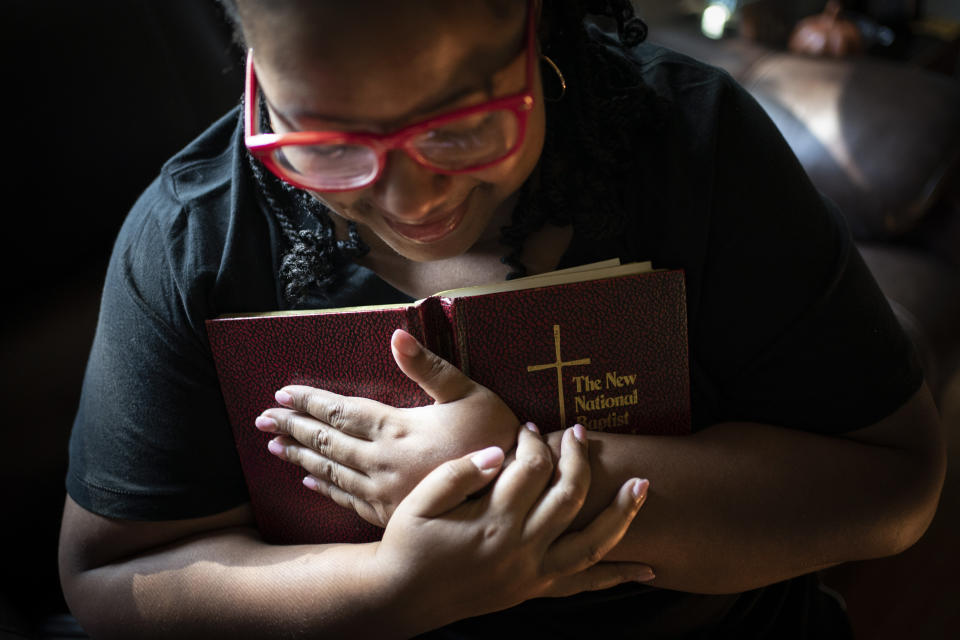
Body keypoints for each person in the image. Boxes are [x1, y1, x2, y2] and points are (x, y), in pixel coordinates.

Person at [58, 0, 945, 637]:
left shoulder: (694, 147)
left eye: (461, 127)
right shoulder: (189, 237)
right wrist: (388, 592)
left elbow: (893, 482)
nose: (407, 199)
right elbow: (107, 576)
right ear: (254, 69)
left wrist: (528, 473)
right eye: (324, 143)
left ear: (538, 26)